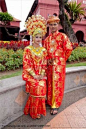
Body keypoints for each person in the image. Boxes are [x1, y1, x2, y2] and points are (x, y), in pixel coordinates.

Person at [44, 15, 73, 115]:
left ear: (58, 25)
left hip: (59, 66)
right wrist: (48, 60)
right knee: (50, 83)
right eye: (51, 25)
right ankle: (49, 101)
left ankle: (55, 105)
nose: (53, 26)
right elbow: (45, 52)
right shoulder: (47, 39)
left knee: (57, 84)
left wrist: (62, 60)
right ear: (49, 26)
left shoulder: (62, 36)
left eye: (54, 24)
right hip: (49, 65)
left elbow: (69, 49)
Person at [22, 15, 47, 119]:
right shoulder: (28, 49)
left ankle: (39, 111)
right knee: (36, 86)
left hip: (40, 75)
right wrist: (34, 75)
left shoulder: (44, 51)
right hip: (30, 74)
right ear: (32, 37)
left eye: (40, 37)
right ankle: (33, 112)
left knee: (42, 85)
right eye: (36, 37)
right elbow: (26, 64)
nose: (38, 39)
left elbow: (44, 64)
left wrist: (41, 75)